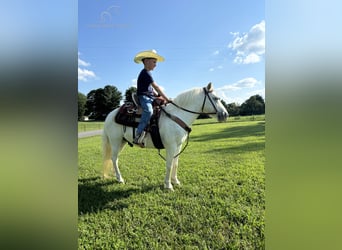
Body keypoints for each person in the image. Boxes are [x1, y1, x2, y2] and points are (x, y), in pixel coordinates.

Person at [133, 50, 170, 146]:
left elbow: (150, 89)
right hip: (144, 97)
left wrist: (159, 97)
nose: (155, 65)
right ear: (146, 61)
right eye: (154, 62)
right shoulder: (145, 73)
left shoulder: (148, 73)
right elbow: (156, 87)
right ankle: (138, 134)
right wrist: (167, 98)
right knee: (149, 111)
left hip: (150, 96)